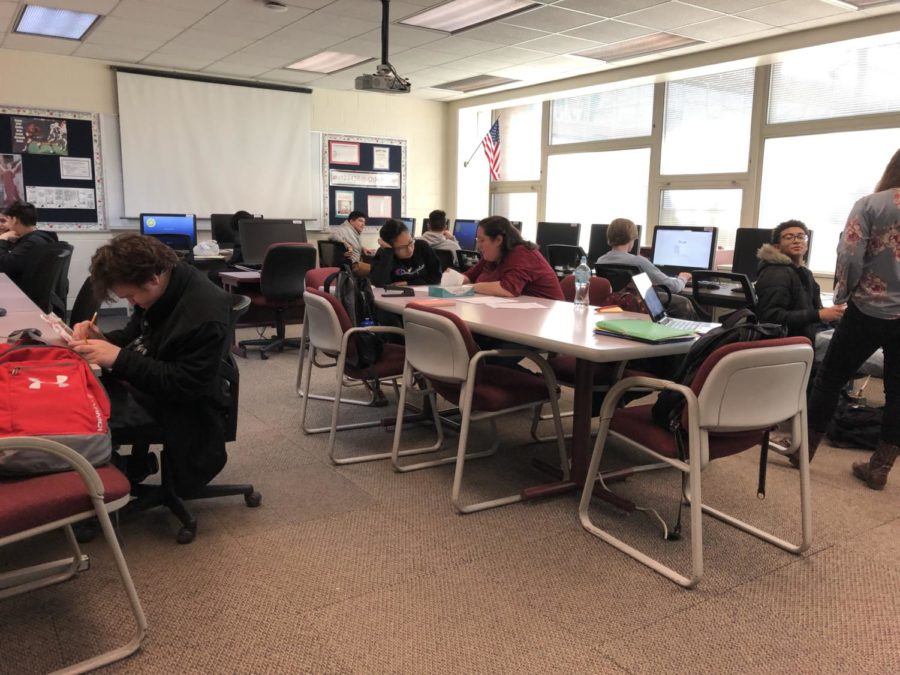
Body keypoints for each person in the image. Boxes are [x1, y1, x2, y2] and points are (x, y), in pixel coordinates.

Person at [72, 233, 232, 495]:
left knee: (93, 413)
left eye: (132, 296)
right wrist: (102, 340)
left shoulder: (202, 314)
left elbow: (185, 384)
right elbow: (137, 333)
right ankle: (126, 466)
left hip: (187, 405)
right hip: (157, 380)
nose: (131, 303)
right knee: (88, 396)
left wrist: (118, 358)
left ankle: (105, 481)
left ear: (153, 279)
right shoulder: (165, 284)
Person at [802, 149, 900, 488]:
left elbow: (850, 253)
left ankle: (803, 453)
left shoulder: (873, 204)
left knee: (830, 378)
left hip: (868, 309)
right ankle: (879, 470)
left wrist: (843, 295)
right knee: (898, 393)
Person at [756, 220, 846, 342]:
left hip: (812, 330)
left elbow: (810, 308)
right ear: (777, 247)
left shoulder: (802, 271)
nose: (796, 240)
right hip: (796, 339)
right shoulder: (776, 273)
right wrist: (820, 314)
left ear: (806, 244)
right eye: (789, 237)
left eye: (801, 236)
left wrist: (831, 314)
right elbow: (771, 316)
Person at [595, 217, 695, 318]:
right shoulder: (638, 261)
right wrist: (683, 278)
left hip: (616, 309)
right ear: (631, 238)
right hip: (639, 304)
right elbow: (673, 287)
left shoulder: (600, 260)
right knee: (684, 302)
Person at [463, 216, 564, 300]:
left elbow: (508, 289)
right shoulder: (492, 255)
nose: (478, 245)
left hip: (547, 313)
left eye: (482, 240)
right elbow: (469, 276)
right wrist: (451, 279)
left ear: (498, 240)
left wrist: (473, 287)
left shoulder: (522, 253)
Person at [0, 200, 59, 285]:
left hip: (24, 293)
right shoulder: (41, 238)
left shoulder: (33, 242)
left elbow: (3, 266)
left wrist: (3, 238)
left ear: (14, 220)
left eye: (6, 220)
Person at [370, 218, 441, 288]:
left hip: (423, 296)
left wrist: (410, 283)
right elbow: (378, 283)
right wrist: (388, 252)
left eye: (410, 242)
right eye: (402, 248)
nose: (410, 250)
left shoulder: (422, 246)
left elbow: (437, 277)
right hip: (396, 297)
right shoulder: (385, 253)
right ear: (390, 247)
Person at [330, 210, 374, 277]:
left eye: (364, 222)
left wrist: (362, 248)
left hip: (354, 264)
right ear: (351, 221)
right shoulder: (344, 229)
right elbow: (332, 236)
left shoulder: (354, 231)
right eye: (360, 221)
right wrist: (346, 245)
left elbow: (351, 243)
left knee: (377, 268)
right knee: (377, 270)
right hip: (351, 266)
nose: (363, 224)